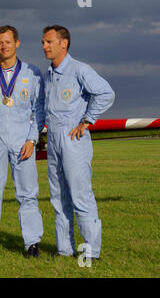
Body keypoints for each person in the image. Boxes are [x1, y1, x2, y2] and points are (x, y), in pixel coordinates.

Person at [0, 25, 45, 258]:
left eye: (8, 42)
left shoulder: (32, 73)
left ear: (17, 43)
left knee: (28, 194)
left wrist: (33, 139)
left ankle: (32, 244)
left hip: (23, 140)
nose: (4, 46)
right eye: (0, 42)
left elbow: (39, 109)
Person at [41, 25, 115, 260]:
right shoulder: (49, 74)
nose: (44, 46)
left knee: (80, 195)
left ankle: (91, 252)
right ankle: (64, 250)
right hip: (53, 140)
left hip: (73, 140)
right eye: (43, 42)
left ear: (64, 43)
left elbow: (106, 93)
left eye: (49, 42)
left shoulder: (79, 69)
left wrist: (87, 120)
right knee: (58, 196)